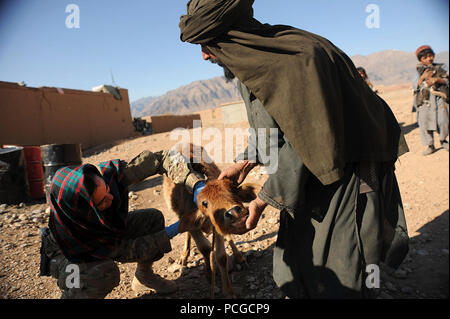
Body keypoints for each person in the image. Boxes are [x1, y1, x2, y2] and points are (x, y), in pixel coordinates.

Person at [179, 0, 410, 299]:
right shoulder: (255, 65)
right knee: (297, 267)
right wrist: (247, 161)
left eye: (208, 44)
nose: (204, 54)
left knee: (343, 270)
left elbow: (311, 141)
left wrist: (262, 201)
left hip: (345, 173)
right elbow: (271, 125)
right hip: (308, 174)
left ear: (231, 35)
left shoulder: (297, 58)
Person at [39, 149, 206, 298]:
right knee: (102, 273)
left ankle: (144, 276)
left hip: (104, 231)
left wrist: (196, 184)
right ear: (87, 210)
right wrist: (177, 228)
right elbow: (128, 249)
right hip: (68, 255)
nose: (111, 197)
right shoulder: (75, 233)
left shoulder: (110, 176)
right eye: (102, 201)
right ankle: (73, 294)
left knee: (151, 219)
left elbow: (162, 158)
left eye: (107, 190)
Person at [413, 45, 449, 155]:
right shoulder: (418, 71)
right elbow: (415, 85)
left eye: (430, 56)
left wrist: (437, 80)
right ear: (420, 60)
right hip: (425, 102)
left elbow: (447, 80)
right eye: (425, 57)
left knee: (443, 121)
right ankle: (430, 145)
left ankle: (443, 140)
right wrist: (422, 77)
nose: (429, 59)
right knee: (425, 123)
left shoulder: (441, 68)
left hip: (439, 99)